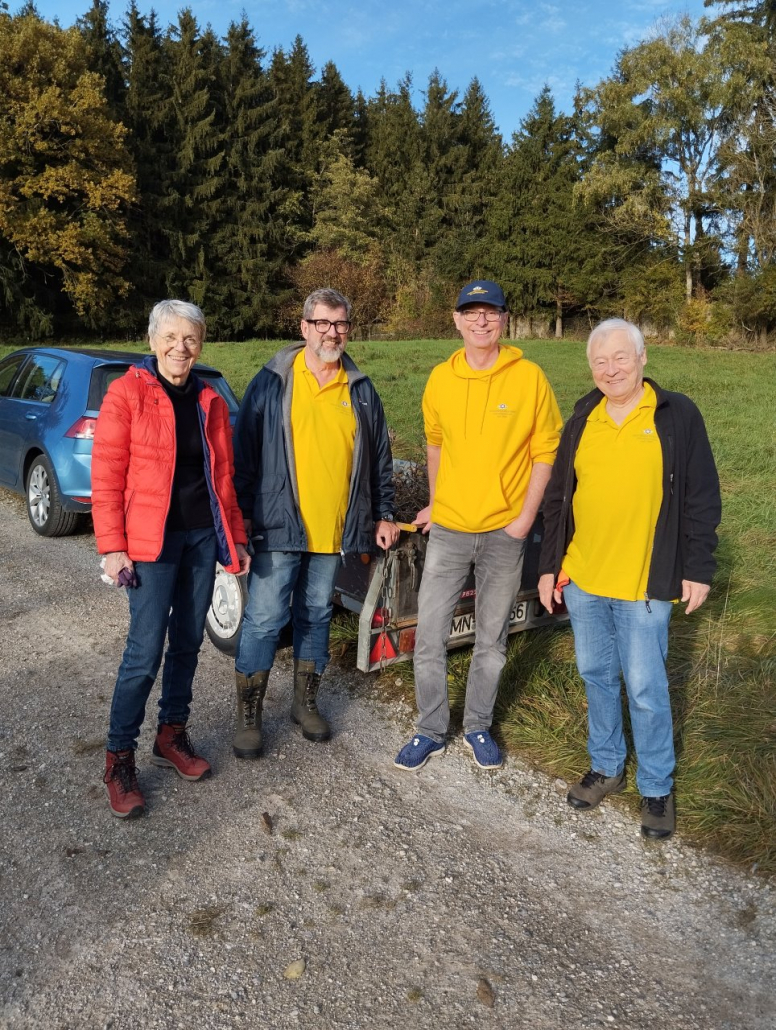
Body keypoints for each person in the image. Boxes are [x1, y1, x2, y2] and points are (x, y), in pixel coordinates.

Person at [538, 318, 721, 839]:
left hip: (645, 583)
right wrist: (550, 566)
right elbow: (558, 498)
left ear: (643, 358)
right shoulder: (583, 417)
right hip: (585, 579)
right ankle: (607, 766)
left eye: (620, 357)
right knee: (597, 676)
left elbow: (701, 496)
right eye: (600, 361)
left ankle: (657, 787)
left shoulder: (676, 415)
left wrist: (697, 568)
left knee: (644, 687)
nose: (610, 369)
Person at [394, 280, 562, 772]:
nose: (481, 320)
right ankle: (430, 729)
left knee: (492, 641)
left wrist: (524, 520)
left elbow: (546, 452)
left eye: (491, 312)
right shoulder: (440, 379)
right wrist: (436, 502)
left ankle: (477, 726)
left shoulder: (529, 378)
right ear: (457, 320)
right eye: (472, 312)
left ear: (504, 319)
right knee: (430, 636)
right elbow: (435, 445)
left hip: (504, 534)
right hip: (449, 531)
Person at [92, 300, 250, 819]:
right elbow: (106, 475)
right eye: (171, 337)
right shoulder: (127, 394)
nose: (181, 348)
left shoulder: (210, 399)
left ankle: (171, 734)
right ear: (153, 340)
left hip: (201, 538)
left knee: (186, 643)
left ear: (200, 344)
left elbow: (223, 478)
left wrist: (235, 538)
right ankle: (119, 759)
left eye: (191, 339)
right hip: (150, 545)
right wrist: (112, 546)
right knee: (144, 653)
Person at [231, 287, 399, 757]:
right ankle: (249, 714)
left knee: (316, 614)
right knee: (265, 619)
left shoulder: (360, 389)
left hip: (334, 531)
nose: (332, 333)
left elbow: (380, 459)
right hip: (276, 525)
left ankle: (304, 704)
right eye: (322, 323)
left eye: (340, 324)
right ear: (304, 327)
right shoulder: (272, 381)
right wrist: (240, 519)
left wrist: (384, 513)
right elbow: (243, 455)